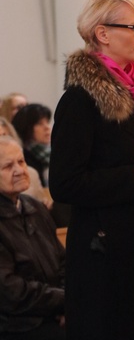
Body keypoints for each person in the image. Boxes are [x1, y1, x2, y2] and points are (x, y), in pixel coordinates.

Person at [49, 0, 134, 340]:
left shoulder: (131, 93)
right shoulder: (80, 100)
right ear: (102, 34)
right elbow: (64, 184)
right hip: (103, 255)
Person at [0, 135, 65, 340]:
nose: (19, 170)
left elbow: (64, 261)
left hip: (55, 310)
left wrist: (68, 302)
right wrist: (63, 301)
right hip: (18, 324)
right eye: (8, 166)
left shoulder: (34, 206)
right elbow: (9, 291)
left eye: (21, 162)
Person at [12, 104, 52, 187]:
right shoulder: (22, 158)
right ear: (26, 127)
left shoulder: (55, 153)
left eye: (47, 122)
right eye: (40, 123)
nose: (47, 127)